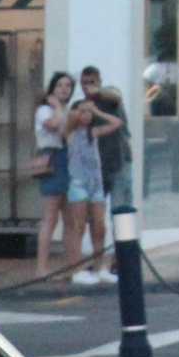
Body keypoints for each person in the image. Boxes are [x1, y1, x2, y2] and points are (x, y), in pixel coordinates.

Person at [64, 96, 121, 285]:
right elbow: (70, 118)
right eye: (83, 112)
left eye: (88, 113)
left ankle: (99, 267)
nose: (86, 115)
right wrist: (81, 108)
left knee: (99, 226)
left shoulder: (92, 132)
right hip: (79, 183)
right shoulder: (70, 132)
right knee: (78, 226)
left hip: (95, 184)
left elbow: (116, 122)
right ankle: (76, 269)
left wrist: (96, 111)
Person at [32, 72, 74, 277]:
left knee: (69, 217)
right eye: (60, 85)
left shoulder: (70, 110)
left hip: (68, 158)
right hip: (52, 158)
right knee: (51, 217)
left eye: (68, 85)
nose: (64, 89)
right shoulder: (44, 110)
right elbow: (54, 125)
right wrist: (57, 107)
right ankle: (42, 266)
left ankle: (69, 264)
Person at [94, 86, 135, 218]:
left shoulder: (111, 100)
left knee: (121, 212)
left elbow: (115, 94)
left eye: (92, 82)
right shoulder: (84, 105)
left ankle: (121, 239)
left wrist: (98, 91)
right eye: (85, 82)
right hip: (96, 166)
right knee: (94, 214)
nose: (88, 86)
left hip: (119, 162)